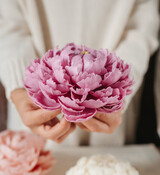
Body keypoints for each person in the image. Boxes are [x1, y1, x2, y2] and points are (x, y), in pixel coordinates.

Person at [0, 0, 159, 147]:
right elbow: (8, 24)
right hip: (33, 102)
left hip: (111, 115)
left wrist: (117, 89)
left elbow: (142, 27)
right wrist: (19, 88)